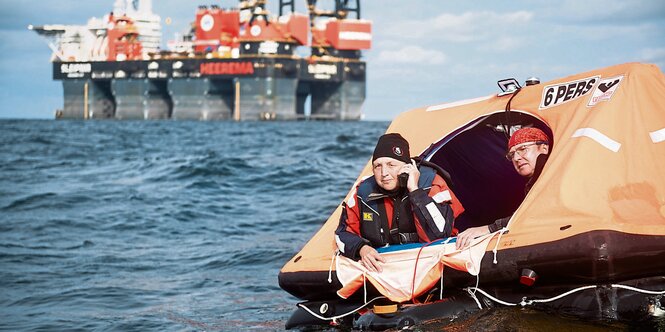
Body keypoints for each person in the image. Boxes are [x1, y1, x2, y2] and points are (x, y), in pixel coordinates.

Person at [335, 133, 465, 272]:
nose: (384, 172)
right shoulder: (362, 192)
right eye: (378, 166)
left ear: (407, 167)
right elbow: (342, 233)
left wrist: (415, 191)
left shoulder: (433, 184)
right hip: (385, 267)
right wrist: (361, 248)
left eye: (391, 165)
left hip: (432, 264)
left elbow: (439, 235)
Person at [455, 127, 550, 250]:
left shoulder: (554, 175)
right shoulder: (535, 181)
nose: (516, 158)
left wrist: (489, 228)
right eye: (512, 155)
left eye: (522, 149)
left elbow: (536, 214)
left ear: (544, 148)